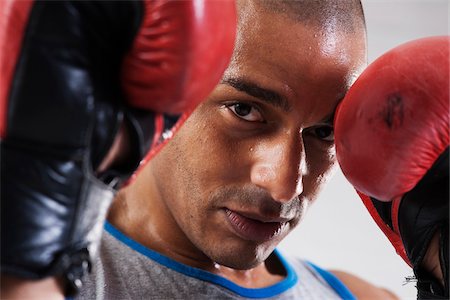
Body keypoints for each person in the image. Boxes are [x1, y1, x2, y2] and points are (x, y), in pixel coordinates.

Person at [76, 0, 398, 299]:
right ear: (161, 89)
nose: (285, 187)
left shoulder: (356, 295)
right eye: (244, 110)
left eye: (324, 132)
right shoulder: (47, 277)